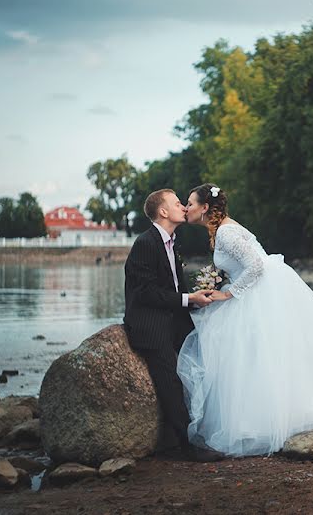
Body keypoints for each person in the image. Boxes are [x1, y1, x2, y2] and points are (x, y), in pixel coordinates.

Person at [176, 183, 313, 456]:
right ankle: (279, 415)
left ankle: (262, 423)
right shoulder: (223, 229)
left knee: (254, 356)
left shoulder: (225, 232)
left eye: (189, 203)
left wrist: (228, 294)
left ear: (204, 208)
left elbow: (256, 266)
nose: (185, 207)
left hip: (258, 293)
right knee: (262, 355)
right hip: (264, 289)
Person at [123, 188, 224, 462]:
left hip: (172, 316)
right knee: (170, 377)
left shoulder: (172, 242)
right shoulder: (146, 243)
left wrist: (196, 300)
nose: (184, 206)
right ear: (164, 212)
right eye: (178, 203)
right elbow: (144, 293)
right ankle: (186, 445)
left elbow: (173, 289)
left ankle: (206, 425)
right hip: (149, 323)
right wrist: (186, 298)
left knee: (206, 356)